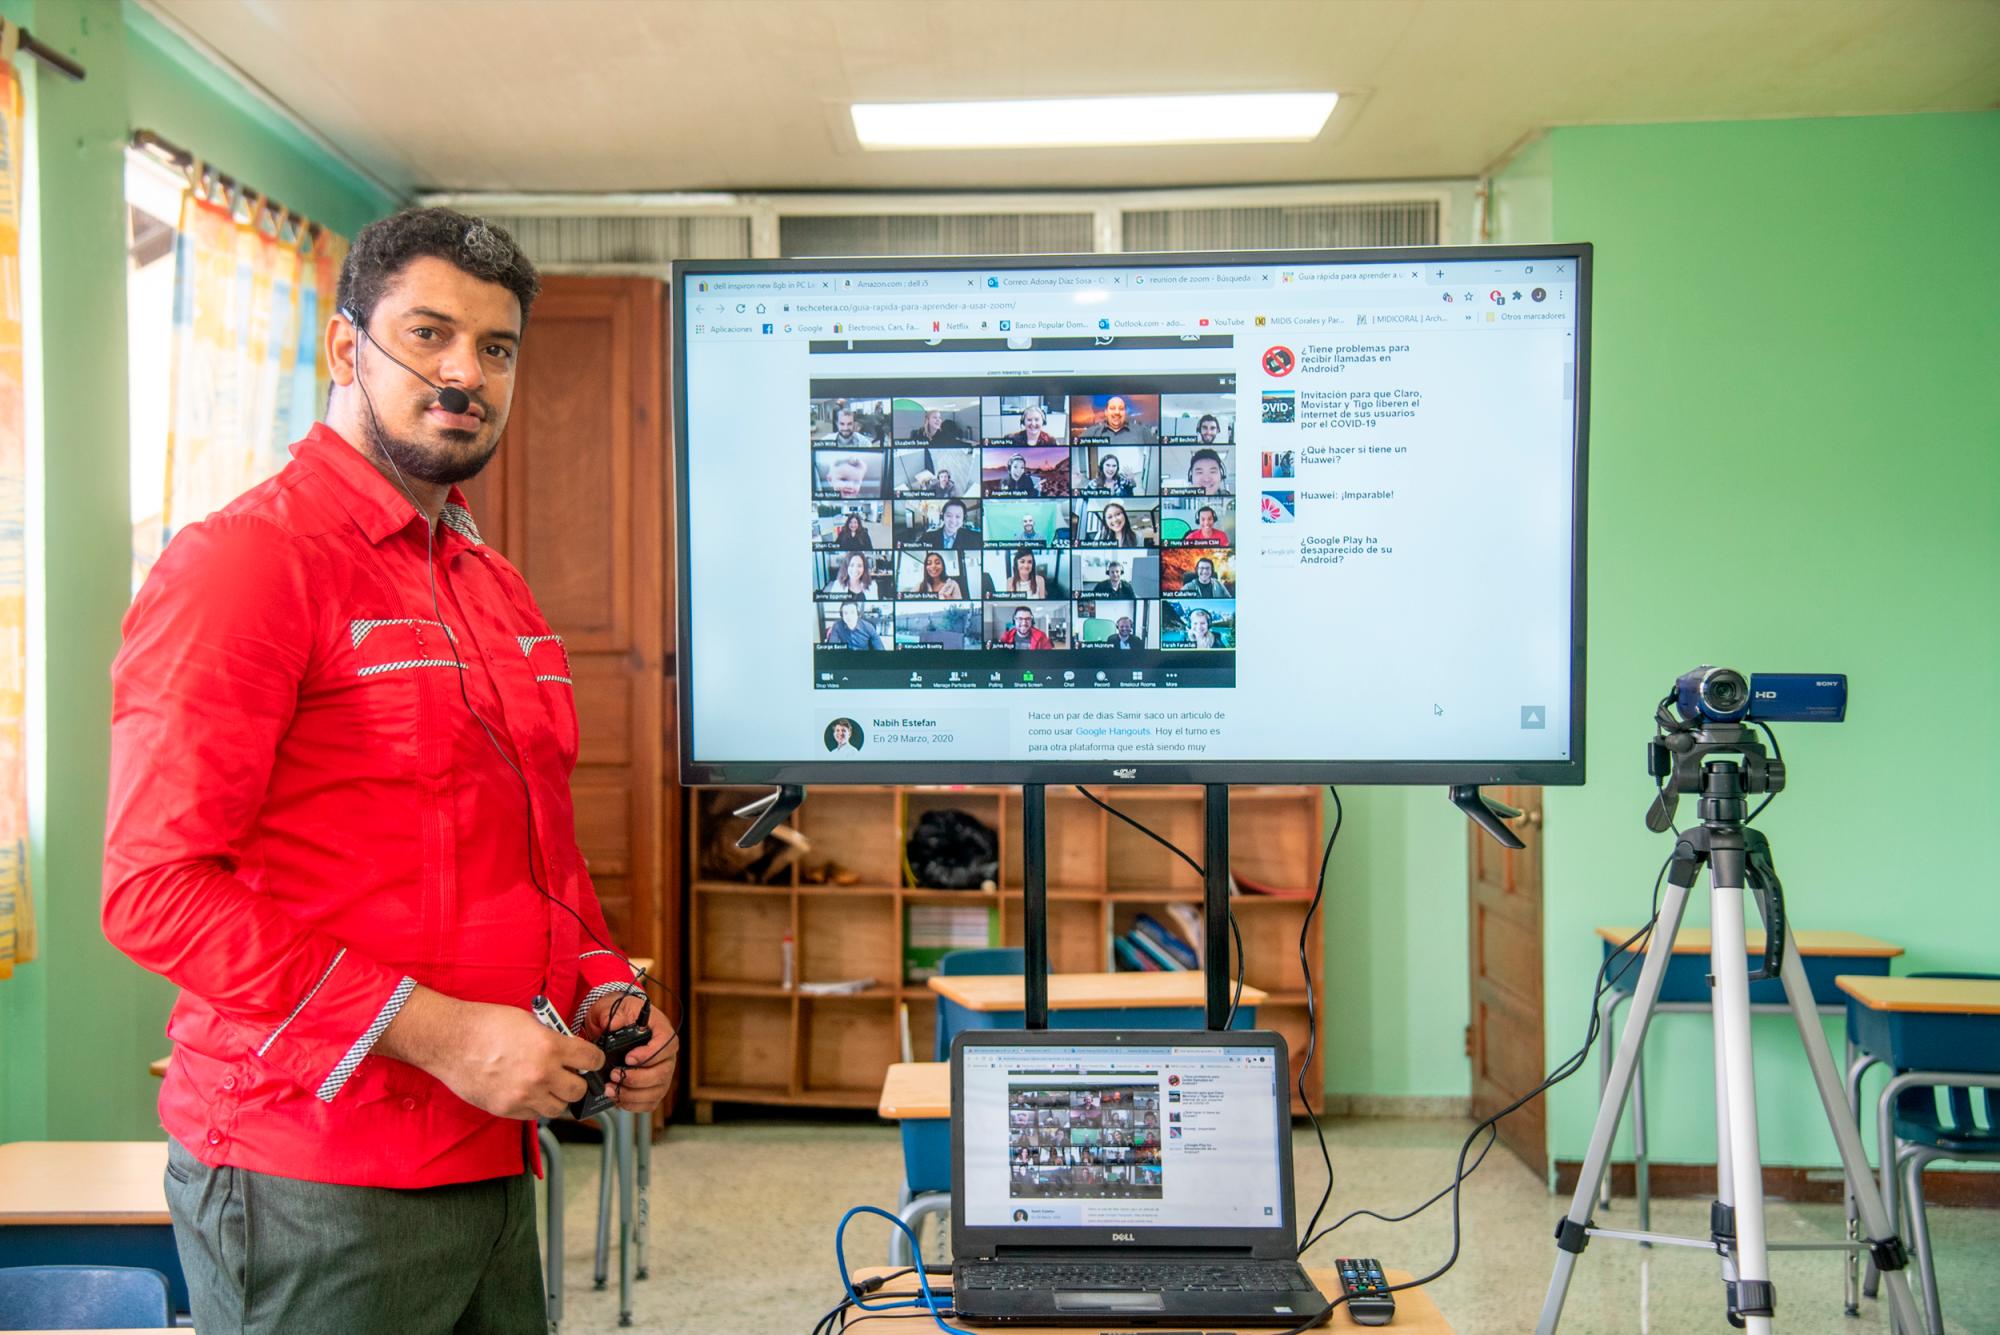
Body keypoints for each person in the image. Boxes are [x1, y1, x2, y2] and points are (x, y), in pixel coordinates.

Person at [102, 208, 671, 1334]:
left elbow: (533, 853)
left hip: (495, 1154)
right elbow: (153, 889)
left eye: (495, 348)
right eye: (428, 334)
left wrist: (603, 981)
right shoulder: (244, 565)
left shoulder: (489, 585)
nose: (463, 372)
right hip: (310, 1173)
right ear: (342, 347)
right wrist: (443, 1033)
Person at [1082, 395, 1156, 442]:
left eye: (1121, 409)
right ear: (1106, 412)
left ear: (1125, 412)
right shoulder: (1091, 433)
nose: (1117, 412)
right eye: (1112, 408)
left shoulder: (1142, 432)